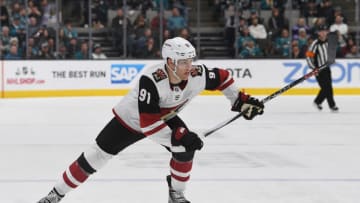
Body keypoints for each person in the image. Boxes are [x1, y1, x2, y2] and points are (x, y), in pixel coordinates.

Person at [37, 37, 264, 203]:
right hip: (131, 120)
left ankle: (176, 194)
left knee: (185, 151)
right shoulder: (152, 79)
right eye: (183, 62)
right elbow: (148, 124)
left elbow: (223, 78)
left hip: (165, 115)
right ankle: (55, 195)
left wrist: (240, 101)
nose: (189, 66)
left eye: (190, 60)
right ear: (169, 61)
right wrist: (181, 136)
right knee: (94, 158)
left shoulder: (197, 74)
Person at [306, 25, 339, 112]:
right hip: (319, 70)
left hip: (327, 69)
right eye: (321, 31)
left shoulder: (329, 42)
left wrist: (331, 60)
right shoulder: (315, 43)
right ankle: (331, 105)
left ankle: (318, 102)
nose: (323, 33)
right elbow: (309, 57)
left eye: (325, 31)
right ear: (318, 33)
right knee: (325, 88)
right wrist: (313, 69)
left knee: (329, 87)